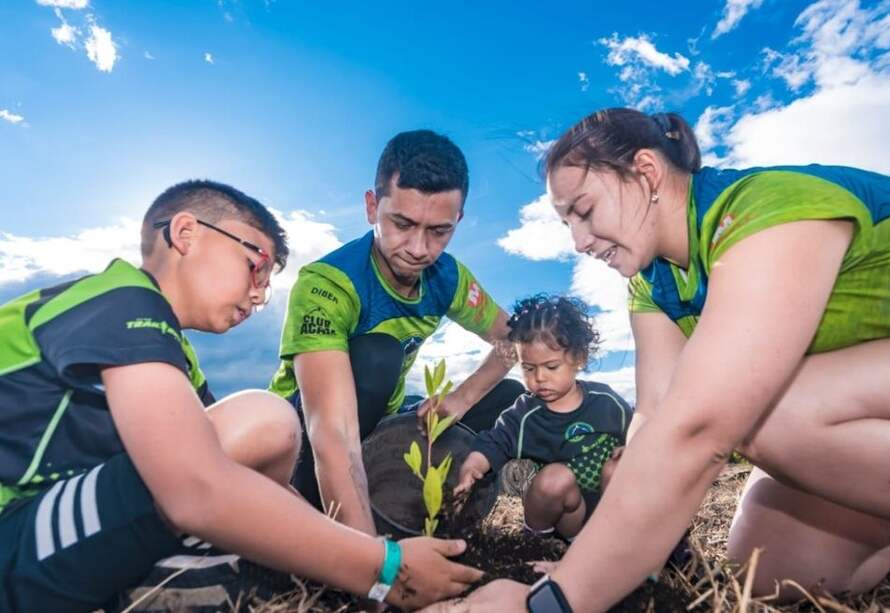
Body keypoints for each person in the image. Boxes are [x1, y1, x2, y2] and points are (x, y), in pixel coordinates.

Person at [452, 107, 890, 612]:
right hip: (882, 402)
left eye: (584, 211)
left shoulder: (767, 211)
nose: (579, 242)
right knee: (766, 575)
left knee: (761, 414)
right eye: (567, 223)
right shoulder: (652, 286)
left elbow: (701, 426)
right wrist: (597, 561)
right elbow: (653, 419)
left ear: (647, 172)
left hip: (869, 390)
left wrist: (553, 603)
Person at [0, 180, 482, 613]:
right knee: (264, 419)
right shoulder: (120, 298)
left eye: (268, 282)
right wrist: (380, 566)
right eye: (256, 265)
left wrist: (334, 543)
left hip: (50, 530)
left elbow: (257, 483)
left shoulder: (174, 358)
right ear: (186, 233)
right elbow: (195, 488)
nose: (259, 294)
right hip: (11, 536)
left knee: (261, 440)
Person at [269, 130, 524, 533]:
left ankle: (447, 512)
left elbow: (514, 341)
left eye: (439, 231)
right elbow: (331, 432)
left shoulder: (449, 278)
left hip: (378, 424)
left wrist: (462, 397)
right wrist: (375, 567)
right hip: (303, 437)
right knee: (378, 356)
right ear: (372, 207)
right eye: (402, 224)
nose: (419, 248)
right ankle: (331, 514)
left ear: (458, 220)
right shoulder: (328, 284)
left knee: (509, 398)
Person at [454, 295, 631, 541]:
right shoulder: (525, 414)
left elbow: (640, 432)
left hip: (613, 509)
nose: (539, 378)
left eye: (551, 367)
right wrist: (473, 466)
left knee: (622, 465)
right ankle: (538, 542)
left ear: (578, 359)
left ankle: (627, 543)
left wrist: (631, 446)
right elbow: (494, 442)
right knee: (554, 479)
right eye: (528, 368)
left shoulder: (607, 402)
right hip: (567, 517)